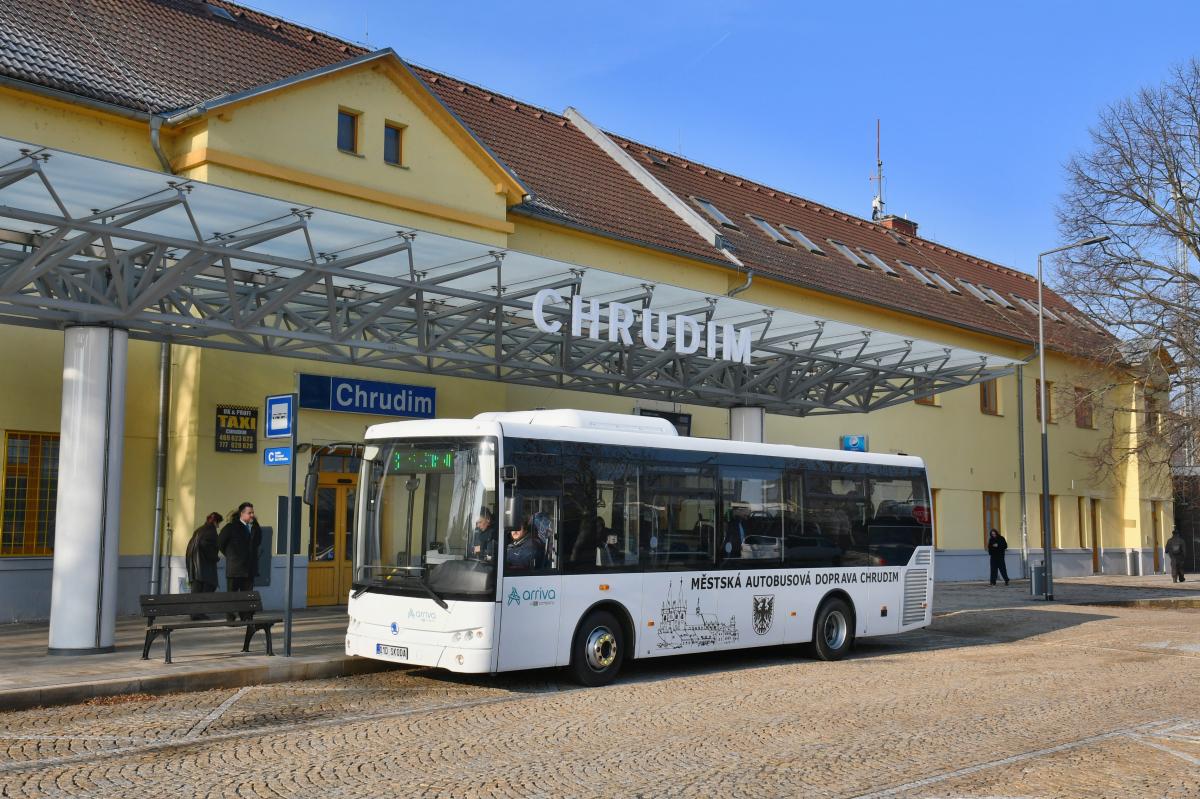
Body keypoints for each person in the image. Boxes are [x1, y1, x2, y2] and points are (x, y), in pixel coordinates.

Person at [218, 502, 263, 618]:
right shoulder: (231, 527)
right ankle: (231, 617)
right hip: (235, 568)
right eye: (249, 513)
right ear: (242, 514)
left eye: (253, 512)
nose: (252, 515)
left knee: (247, 595)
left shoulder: (255, 528)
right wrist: (232, 556)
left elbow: (257, 543)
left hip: (249, 568)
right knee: (232, 595)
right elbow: (220, 543)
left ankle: (245, 617)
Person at [186, 511, 222, 594]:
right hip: (205, 572)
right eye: (218, 523)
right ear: (215, 521)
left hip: (194, 570)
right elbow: (205, 545)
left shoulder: (198, 530)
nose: (218, 526)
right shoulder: (211, 531)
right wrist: (215, 557)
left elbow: (190, 548)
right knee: (206, 595)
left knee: (195, 595)